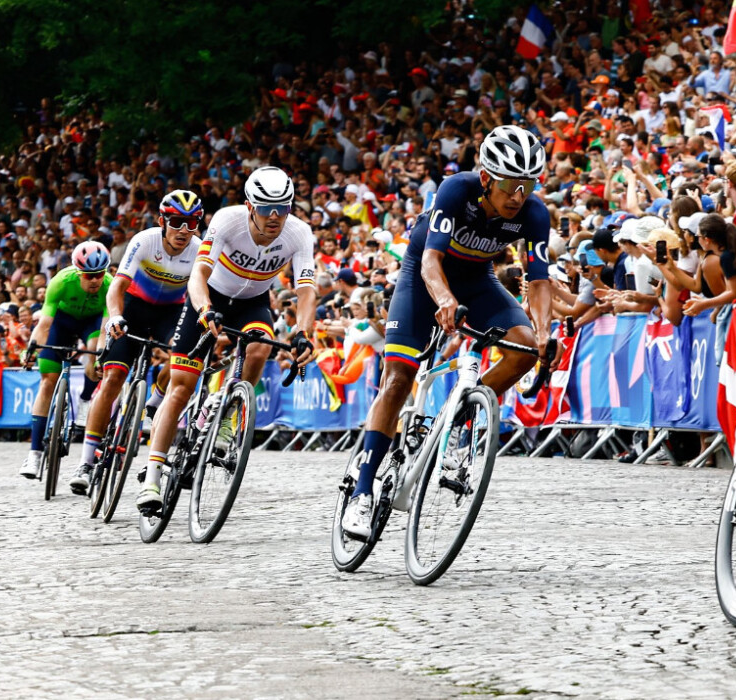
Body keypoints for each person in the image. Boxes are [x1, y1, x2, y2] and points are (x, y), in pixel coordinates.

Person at [341, 125, 554, 538]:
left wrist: (544, 330)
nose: (518, 196)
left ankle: (456, 422)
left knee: (525, 349)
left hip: (477, 280)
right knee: (398, 377)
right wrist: (443, 299)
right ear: (488, 177)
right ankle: (362, 493)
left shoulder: (534, 213)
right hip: (424, 278)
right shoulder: (457, 190)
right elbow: (430, 260)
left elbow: (540, 280)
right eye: (510, 184)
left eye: (527, 185)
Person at [137, 167, 316, 511]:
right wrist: (204, 308)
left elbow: (306, 290)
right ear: (250, 206)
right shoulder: (227, 220)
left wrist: (304, 332)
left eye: (283, 207)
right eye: (266, 208)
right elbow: (199, 274)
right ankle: (153, 477)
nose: (275, 216)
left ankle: (228, 420)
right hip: (211, 297)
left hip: (253, 304)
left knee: (261, 347)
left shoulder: (299, 233)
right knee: (182, 385)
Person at [67, 190, 203, 495]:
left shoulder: (198, 249)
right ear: (162, 221)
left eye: (192, 223)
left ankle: (155, 399)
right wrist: (114, 317)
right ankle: (87, 462)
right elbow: (117, 286)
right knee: (114, 377)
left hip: (171, 311)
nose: (184, 230)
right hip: (134, 307)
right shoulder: (145, 240)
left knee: (184, 354)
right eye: (177, 222)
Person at [19, 241, 112, 479]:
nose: (95, 280)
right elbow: (45, 324)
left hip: (91, 325)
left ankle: (83, 401)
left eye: (99, 274)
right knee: (48, 381)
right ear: (78, 272)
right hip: (60, 322)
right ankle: (35, 454)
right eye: (89, 276)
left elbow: (103, 332)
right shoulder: (61, 281)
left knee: (94, 353)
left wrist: (100, 357)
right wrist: (32, 349)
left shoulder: (110, 286)